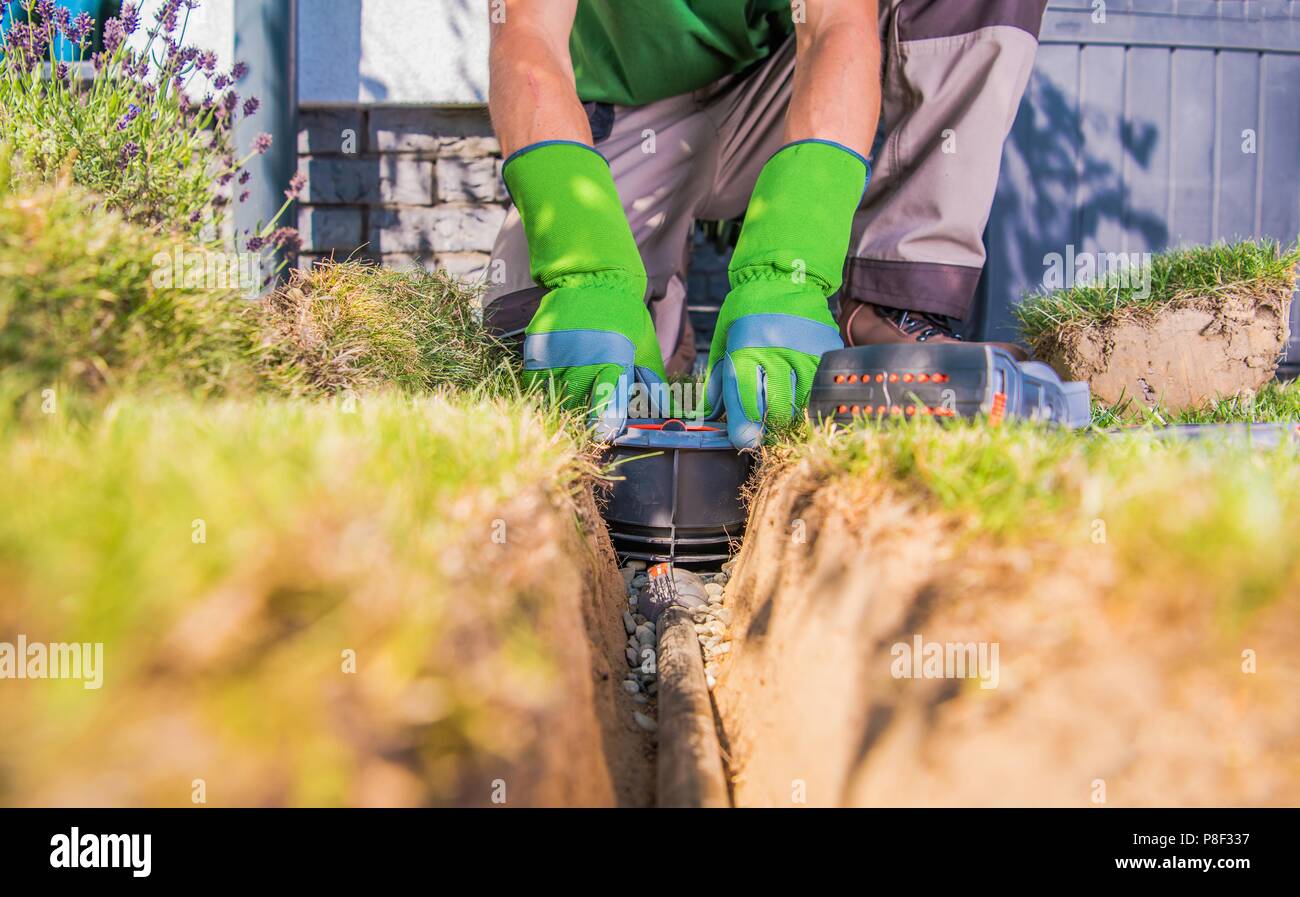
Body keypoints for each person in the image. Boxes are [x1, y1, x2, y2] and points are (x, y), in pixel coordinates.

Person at [485, 0, 1046, 448]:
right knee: (529, 343)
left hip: (782, 92)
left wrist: (789, 271)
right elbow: (525, 32)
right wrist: (586, 271)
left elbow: (836, 24)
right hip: (624, 116)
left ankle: (888, 301)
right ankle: (659, 314)